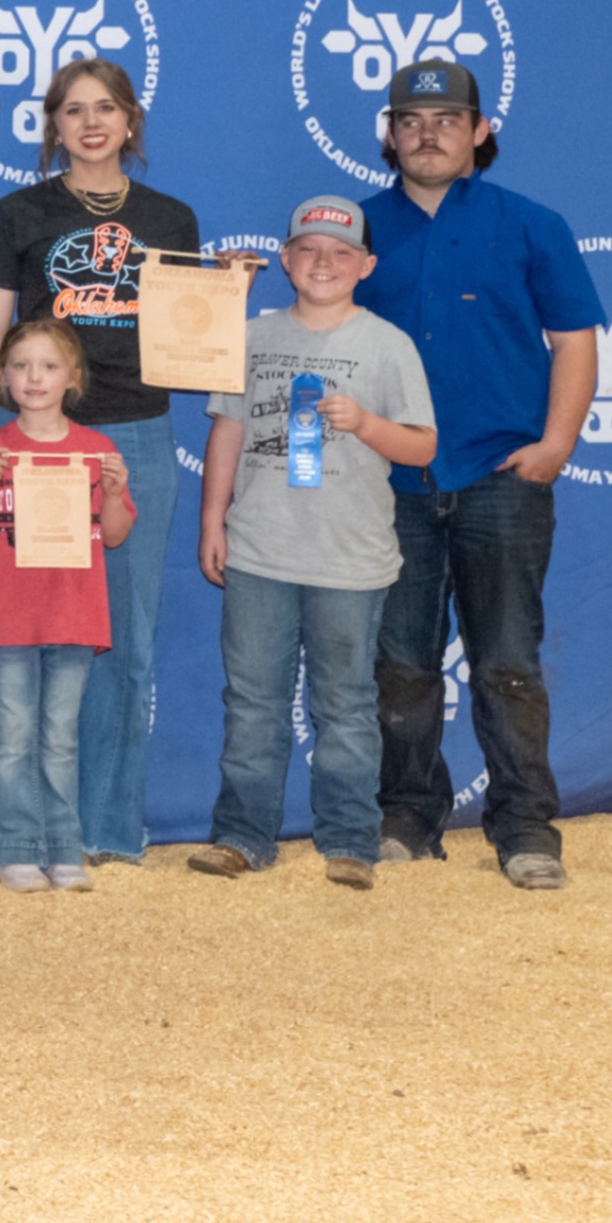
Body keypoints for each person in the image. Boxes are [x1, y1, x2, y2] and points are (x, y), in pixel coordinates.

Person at [353, 60, 600, 890]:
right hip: (390, 483)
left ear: (479, 130)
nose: (428, 133)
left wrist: (556, 443)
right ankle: (406, 816)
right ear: (389, 134)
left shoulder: (533, 225)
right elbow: (310, 326)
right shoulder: (350, 232)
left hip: (502, 474)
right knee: (400, 664)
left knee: (506, 661)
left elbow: (572, 339)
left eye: (445, 119)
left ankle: (525, 825)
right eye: (410, 120)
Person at [0, 58, 213, 868]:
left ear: (130, 121)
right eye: (72, 111)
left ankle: (106, 827)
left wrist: (225, 300)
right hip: (38, 443)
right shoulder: (19, 211)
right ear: (53, 127)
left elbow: (193, 337)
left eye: (104, 108)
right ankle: (31, 832)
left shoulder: (171, 218)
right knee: (39, 630)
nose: (90, 123)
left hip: (135, 436)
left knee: (126, 640)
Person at [195, 195, 436, 892]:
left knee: (345, 703)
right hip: (259, 550)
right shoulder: (252, 336)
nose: (321, 264)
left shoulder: (387, 345)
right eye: (307, 251)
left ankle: (350, 839)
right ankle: (241, 835)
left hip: (349, 558)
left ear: (365, 265)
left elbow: (422, 444)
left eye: (338, 254)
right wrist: (213, 520)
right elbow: (227, 430)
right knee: (251, 700)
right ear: (284, 260)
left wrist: (363, 423)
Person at [0, 318, 132, 895]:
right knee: (11, 736)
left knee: (60, 737)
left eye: (50, 366)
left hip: (76, 614)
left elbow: (118, 533)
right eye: (22, 366)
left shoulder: (97, 449)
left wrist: (111, 492)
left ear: (72, 379)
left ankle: (63, 849)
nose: (35, 377)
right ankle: (11, 849)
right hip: (9, 616)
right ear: (3, 378)